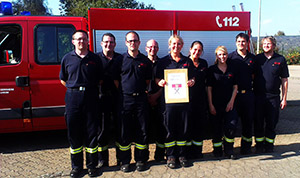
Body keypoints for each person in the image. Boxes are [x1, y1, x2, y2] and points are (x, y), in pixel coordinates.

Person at [59, 30, 103, 178]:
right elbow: (63, 79)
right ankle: (76, 167)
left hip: (91, 97)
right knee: (74, 133)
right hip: (73, 98)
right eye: (78, 39)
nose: (81, 42)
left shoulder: (95, 59)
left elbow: (100, 79)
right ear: (73, 41)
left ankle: (92, 166)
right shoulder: (67, 58)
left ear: (88, 40)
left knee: (92, 133)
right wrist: (76, 89)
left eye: (84, 39)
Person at [113, 31, 152, 172]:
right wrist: (126, 92)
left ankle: (141, 160)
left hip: (141, 99)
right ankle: (125, 161)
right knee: (124, 131)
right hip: (125, 100)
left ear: (139, 43)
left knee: (142, 130)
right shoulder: (120, 60)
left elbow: (148, 80)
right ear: (126, 43)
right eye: (130, 41)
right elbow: (116, 80)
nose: (132, 43)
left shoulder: (145, 61)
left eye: (135, 41)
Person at [156, 35, 195, 169]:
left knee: (183, 128)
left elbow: (193, 78)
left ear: (182, 46)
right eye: (173, 44)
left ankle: (182, 155)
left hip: (184, 101)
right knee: (170, 128)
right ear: (169, 45)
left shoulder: (187, 61)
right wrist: (159, 82)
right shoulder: (163, 62)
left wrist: (192, 81)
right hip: (169, 102)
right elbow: (156, 79)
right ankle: (171, 155)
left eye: (179, 44)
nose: (176, 46)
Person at [253, 36, 289, 153]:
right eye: (264, 44)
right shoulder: (257, 59)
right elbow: (252, 76)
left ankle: (269, 146)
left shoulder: (281, 59)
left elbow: (284, 80)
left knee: (271, 123)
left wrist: (284, 99)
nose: (266, 46)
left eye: (269, 44)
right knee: (258, 122)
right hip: (258, 97)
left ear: (274, 45)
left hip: (273, 97)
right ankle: (259, 146)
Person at [207, 46, 238, 159]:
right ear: (216, 56)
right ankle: (217, 150)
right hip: (216, 104)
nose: (222, 57)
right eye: (219, 54)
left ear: (227, 55)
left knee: (231, 126)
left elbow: (235, 87)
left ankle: (229, 150)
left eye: (224, 54)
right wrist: (210, 105)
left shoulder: (232, 69)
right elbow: (209, 88)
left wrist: (231, 102)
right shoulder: (212, 70)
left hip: (229, 104)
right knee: (216, 129)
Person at [228, 33, 256, 155]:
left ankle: (246, 148)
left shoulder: (252, 58)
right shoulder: (230, 58)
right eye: (239, 41)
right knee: (232, 123)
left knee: (248, 122)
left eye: (243, 41)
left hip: (248, 95)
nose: (241, 43)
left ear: (247, 43)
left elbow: (254, 76)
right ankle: (229, 149)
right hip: (234, 96)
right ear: (235, 43)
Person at [96, 33, 122, 168]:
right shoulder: (95, 59)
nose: (108, 44)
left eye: (111, 42)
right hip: (102, 98)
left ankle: (121, 159)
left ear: (115, 44)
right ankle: (103, 161)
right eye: (106, 42)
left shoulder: (120, 58)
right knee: (102, 131)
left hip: (118, 98)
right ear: (101, 44)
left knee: (120, 129)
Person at [145, 39, 166, 162]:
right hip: (144, 101)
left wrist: (157, 95)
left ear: (158, 49)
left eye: (155, 47)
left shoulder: (163, 63)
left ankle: (159, 155)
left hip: (160, 100)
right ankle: (144, 157)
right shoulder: (141, 61)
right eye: (150, 47)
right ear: (146, 48)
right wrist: (147, 95)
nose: (153, 49)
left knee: (161, 129)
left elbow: (168, 82)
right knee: (145, 130)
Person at [188, 41, 208, 159]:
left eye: (199, 50)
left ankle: (197, 152)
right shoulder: (185, 62)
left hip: (201, 100)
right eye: (195, 49)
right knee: (188, 127)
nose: (197, 52)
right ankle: (188, 152)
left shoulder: (204, 63)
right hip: (187, 100)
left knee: (199, 127)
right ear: (190, 49)